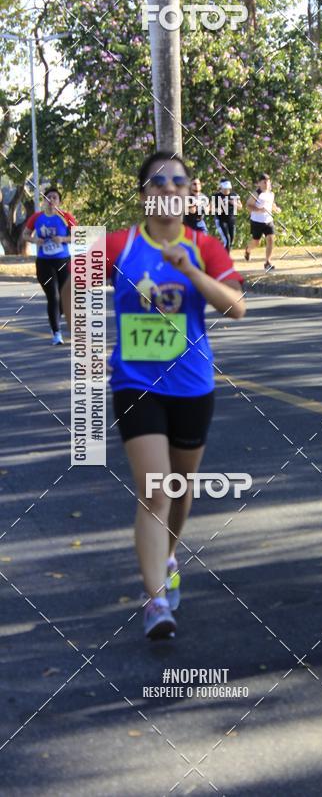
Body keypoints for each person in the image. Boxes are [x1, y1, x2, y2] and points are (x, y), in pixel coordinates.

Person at [61, 152, 246, 639]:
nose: (168, 190)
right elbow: (71, 284)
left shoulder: (205, 247)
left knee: (180, 490)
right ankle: (155, 601)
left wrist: (190, 270)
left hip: (192, 384)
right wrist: (86, 345)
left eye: (177, 183)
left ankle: (167, 555)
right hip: (136, 383)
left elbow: (236, 308)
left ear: (190, 194)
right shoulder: (121, 245)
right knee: (154, 488)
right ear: (144, 193)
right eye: (157, 183)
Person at [23, 187, 77, 345]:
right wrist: (34, 241)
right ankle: (57, 333)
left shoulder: (66, 217)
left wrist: (63, 239)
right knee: (53, 296)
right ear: (44, 200)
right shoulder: (36, 217)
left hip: (63, 261)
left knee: (63, 297)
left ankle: (55, 321)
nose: (51, 200)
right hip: (44, 263)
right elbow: (25, 234)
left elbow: (77, 236)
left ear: (59, 202)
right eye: (48, 197)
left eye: (55, 197)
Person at [244, 173, 281, 271]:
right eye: (264, 182)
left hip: (269, 220)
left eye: (268, 182)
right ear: (259, 183)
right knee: (256, 242)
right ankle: (248, 249)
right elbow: (248, 205)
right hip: (257, 221)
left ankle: (268, 262)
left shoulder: (271, 193)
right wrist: (259, 210)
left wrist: (276, 208)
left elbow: (271, 204)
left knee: (271, 240)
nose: (266, 184)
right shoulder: (256, 193)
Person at [213, 178, 242, 253]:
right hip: (221, 220)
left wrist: (233, 203)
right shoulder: (216, 196)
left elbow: (240, 207)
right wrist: (218, 210)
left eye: (228, 188)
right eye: (225, 188)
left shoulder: (234, 195)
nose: (226, 190)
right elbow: (212, 208)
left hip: (231, 220)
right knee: (227, 240)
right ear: (221, 187)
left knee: (231, 240)